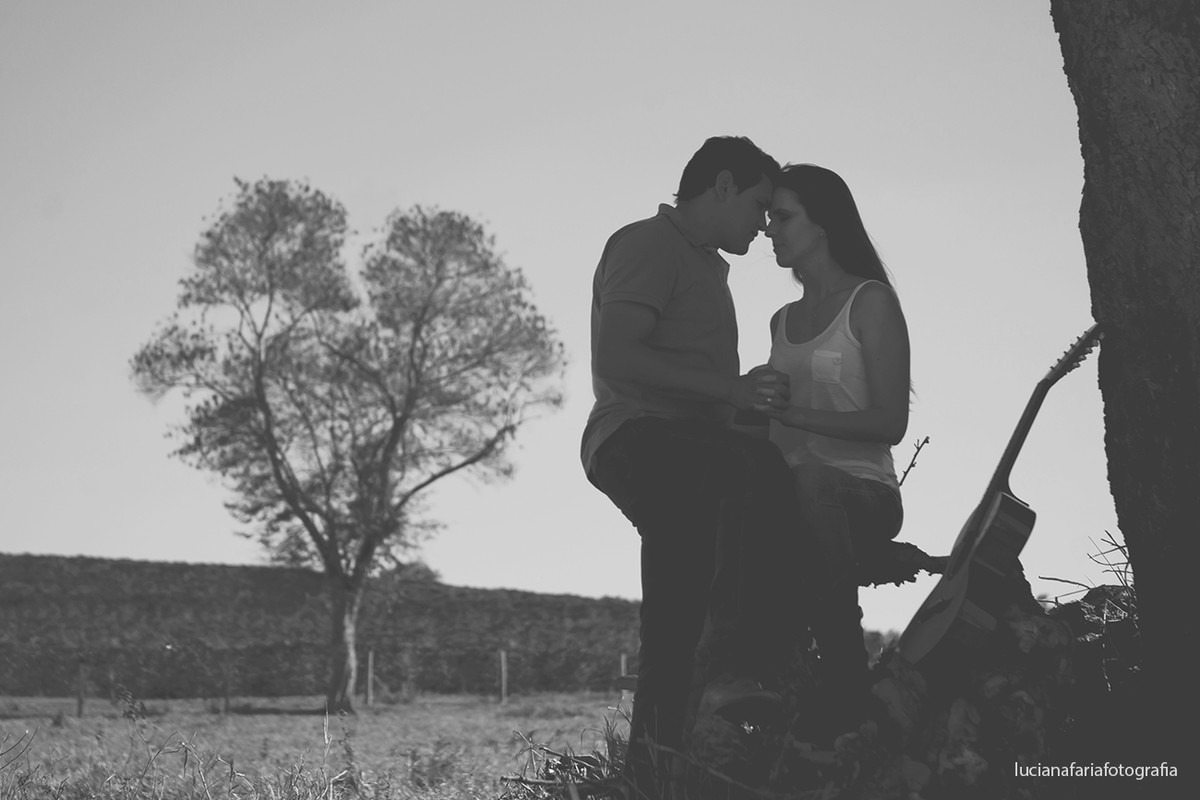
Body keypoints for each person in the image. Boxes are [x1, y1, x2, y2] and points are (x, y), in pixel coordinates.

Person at [582, 136, 799, 796]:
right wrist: (732, 391)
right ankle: (744, 668)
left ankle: (649, 773)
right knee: (755, 469)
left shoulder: (709, 269)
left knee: (675, 626)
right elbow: (617, 356)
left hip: (689, 450)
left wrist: (756, 404)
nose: (764, 225)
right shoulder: (648, 244)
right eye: (760, 205)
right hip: (636, 440)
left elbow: (702, 397)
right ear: (723, 185)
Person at [761, 163, 911, 740]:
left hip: (862, 493)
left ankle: (848, 683)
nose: (770, 229)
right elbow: (771, 427)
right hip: (791, 496)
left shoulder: (869, 302)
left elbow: (890, 422)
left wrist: (791, 411)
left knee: (814, 484)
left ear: (822, 224)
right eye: (770, 216)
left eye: (783, 216)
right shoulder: (781, 320)